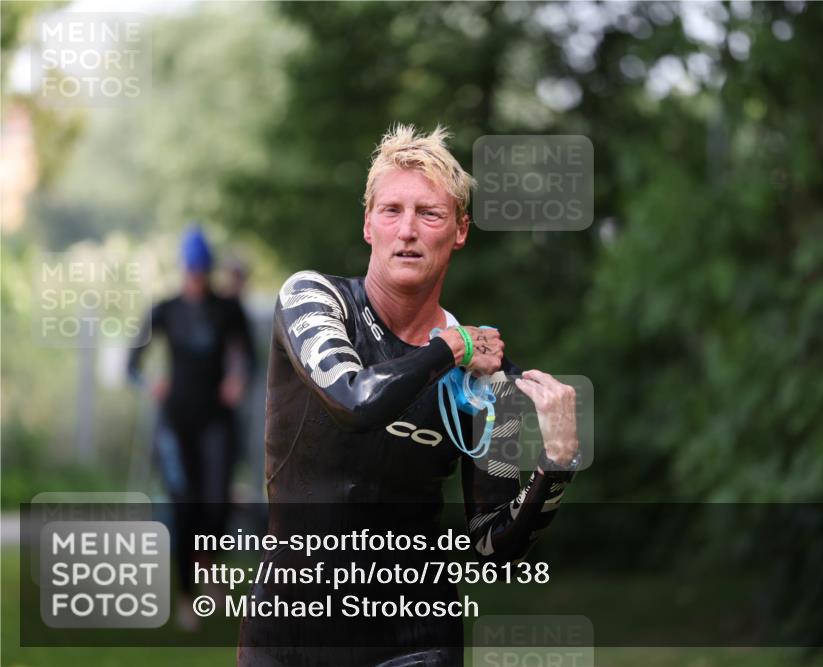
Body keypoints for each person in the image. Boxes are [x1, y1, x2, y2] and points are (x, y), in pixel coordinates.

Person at [237, 125, 582, 666]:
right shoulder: (315, 299)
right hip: (289, 634)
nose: (408, 231)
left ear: (461, 230)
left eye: (430, 214)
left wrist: (556, 465)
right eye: (392, 210)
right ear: (368, 224)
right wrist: (447, 349)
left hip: (413, 639)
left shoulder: (487, 381)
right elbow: (355, 402)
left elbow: (495, 548)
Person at [128, 225, 257, 630]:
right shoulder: (165, 309)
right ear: (183, 271)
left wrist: (237, 380)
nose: (196, 280)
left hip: (216, 420)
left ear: (209, 271)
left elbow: (249, 358)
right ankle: (188, 594)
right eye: (191, 273)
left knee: (216, 502)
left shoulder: (227, 309)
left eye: (202, 273)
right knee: (185, 505)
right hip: (177, 421)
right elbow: (132, 363)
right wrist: (151, 384)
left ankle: (207, 567)